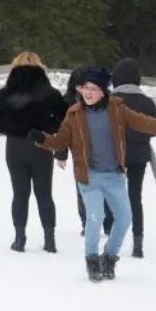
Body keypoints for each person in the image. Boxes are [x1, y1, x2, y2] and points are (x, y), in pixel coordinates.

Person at [29, 67, 156, 282]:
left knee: (125, 218)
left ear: (103, 90)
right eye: (84, 88)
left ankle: (109, 257)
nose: (87, 93)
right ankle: (92, 260)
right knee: (95, 217)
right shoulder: (74, 114)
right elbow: (61, 140)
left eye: (92, 88)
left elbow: (146, 122)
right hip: (89, 176)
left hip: (115, 176)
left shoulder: (117, 110)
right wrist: (42, 138)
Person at [0, 51, 68, 253]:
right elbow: (64, 117)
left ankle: (20, 238)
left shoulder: (5, 93)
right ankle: (49, 240)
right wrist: (50, 130)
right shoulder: (50, 93)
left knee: (20, 193)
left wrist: (8, 128)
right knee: (44, 193)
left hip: (15, 146)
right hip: (41, 145)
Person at [110, 57, 156, 259]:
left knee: (111, 195)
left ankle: (111, 236)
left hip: (112, 154)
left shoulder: (109, 101)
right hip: (139, 155)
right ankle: (138, 243)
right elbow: (152, 129)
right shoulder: (147, 102)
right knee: (135, 197)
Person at [66, 67, 112, 236]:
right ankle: (87, 222)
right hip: (79, 151)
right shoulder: (68, 102)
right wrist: (61, 151)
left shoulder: (104, 100)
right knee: (83, 187)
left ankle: (107, 222)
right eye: (81, 87)